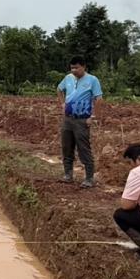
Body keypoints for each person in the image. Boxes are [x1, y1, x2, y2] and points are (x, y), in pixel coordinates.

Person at [57, 56, 103, 188]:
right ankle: (68, 175)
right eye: (72, 68)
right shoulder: (68, 78)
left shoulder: (92, 80)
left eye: (76, 68)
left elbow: (99, 99)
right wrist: (63, 104)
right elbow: (59, 89)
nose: (74, 70)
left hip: (82, 120)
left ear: (84, 67)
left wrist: (93, 116)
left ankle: (89, 178)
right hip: (68, 118)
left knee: (84, 148)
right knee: (66, 147)